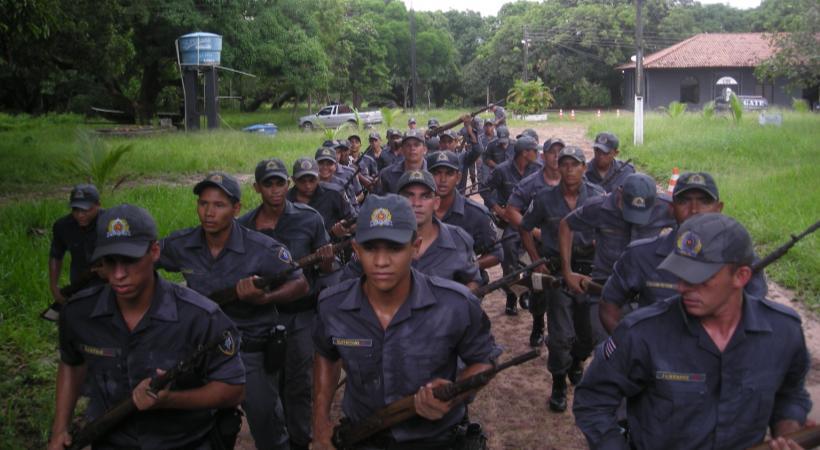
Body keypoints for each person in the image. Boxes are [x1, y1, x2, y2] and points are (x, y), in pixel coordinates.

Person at [574, 213, 812, 450]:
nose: (682, 287)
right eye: (680, 275)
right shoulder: (642, 334)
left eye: (699, 278)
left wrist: (788, 434)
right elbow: (593, 400)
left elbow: (790, 393)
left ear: (741, 276)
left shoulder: (783, 332)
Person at [48, 204, 245, 450]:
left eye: (129, 260)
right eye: (109, 261)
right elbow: (72, 363)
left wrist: (170, 400)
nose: (118, 274)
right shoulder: (79, 314)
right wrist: (60, 428)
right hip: (109, 441)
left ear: (154, 252)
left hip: (186, 442)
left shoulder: (201, 318)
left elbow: (233, 389)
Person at [312, 193, 495, 450]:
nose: (381, 262)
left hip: (435, 440)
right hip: (361, 438)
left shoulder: (456, 304)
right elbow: (326, 354)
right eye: (370, 248)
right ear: (355, 249)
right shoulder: (332, 306)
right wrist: (320, 423)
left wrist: (455, 393)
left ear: (416, 247)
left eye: (395, 248)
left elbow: (484, 360)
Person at [158, 172, 310, 450]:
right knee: (199, 430)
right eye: (203, 204)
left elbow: (300, 284)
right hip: (202, 354)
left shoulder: (262, 248)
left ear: (236, 208)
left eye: (219, 205)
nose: (209, 213)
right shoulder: (182, 244)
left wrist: (264, 299)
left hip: (250, 353)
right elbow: (145, 262)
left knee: (268, 428)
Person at [238, 159, 336, 450]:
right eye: (268, 184)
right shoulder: (243, 226)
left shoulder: (309, 218)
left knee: (299, 383)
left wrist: (327, 259)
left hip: (301, 314)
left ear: (287, 184)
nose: (275, 189)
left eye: (280, 183)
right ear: (257, 187)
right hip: (260, 317)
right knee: (266, 386)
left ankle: (299, 439)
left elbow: (325, 270)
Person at [599, 171, 768, 334]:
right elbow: (608, 305)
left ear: (719, 208)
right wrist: (629, 351)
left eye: (704, 201)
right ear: (671, 209)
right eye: (684, 201)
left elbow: (756, 316)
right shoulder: (641, 254)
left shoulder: (740, 259)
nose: (694, 210)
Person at [519, 146, 606, 411]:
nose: (569, 169)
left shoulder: (599, 196)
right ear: (558, 166)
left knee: (589, 334)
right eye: (564, 164)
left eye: (575, 164)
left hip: (589, 272)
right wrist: (536, 262)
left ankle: (578, 360)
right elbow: (524, 227)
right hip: (557, 272)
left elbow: (609, 231)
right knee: (559, 336)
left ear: (584, 167)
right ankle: (558, 381)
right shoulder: (544, 198)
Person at [340, 170, 482, 291]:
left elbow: (472, 280)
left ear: (436, 203)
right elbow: (348, 284)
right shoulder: (375, 240)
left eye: (425, 196)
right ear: (397, 201)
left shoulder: (458, 238)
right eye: (408, 196)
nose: (416, 204)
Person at [482, 136, 541, 315]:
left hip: (531, 223)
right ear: (525, 153)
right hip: (509, 224)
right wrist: (498, 210)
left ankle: (524, 292)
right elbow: (486, 190)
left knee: (532, 260)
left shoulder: (538, 170)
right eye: (535, 150)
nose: (537, 154)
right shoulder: (502, 170)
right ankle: (511, 297)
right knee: (509, 261)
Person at [428, 150, 501, 283]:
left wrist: (469, 266)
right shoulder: (418, 212)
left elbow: (497, 253)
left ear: (458, 178)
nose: (442, 180)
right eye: (436, 173)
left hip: (463, 286)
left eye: (449, 174)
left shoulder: (475, 214)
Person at [48, 184, 104, 305]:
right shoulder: (63, 226)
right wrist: (54, 286)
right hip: (79, 282)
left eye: (85, 210)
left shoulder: (110, 223)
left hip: (109, 281)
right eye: (75, 209)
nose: (80, 215)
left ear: (98, 205)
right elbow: (56, 255)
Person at [288, 157, 355, 240]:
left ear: (318, 177)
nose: (308, 186)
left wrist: (345, 228)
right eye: (302, 181)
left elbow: (354, 220)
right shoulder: (285, 199)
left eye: (312, 180)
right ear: (294, 180)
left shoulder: (334, 193)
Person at [375, 129, 428, 195]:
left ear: (425, 149)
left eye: (416, 145)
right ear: (402, 150)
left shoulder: (434, 172)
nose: (412, 148)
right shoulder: (387, 174)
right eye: (408, 145)